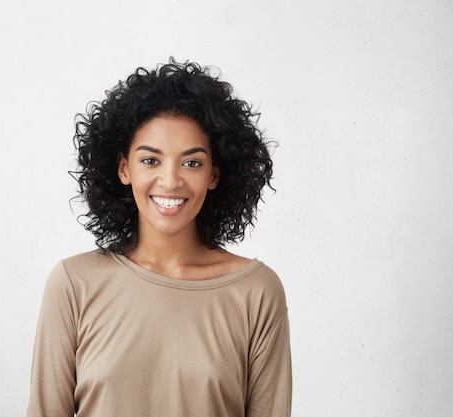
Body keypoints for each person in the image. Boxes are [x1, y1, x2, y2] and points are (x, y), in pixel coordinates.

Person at [26, 59, 291, 417]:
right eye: (151, 160)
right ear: (124, 168)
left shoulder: (256, 292)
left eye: (192, 163)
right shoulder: (74, 285)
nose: (170, 181)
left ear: (215, 174)